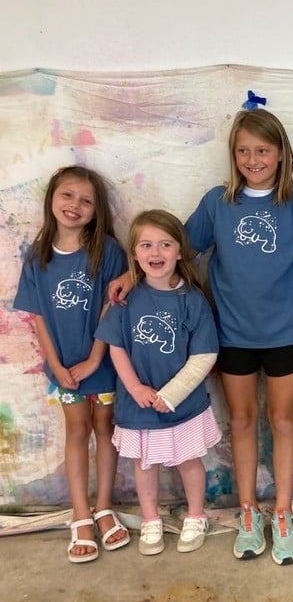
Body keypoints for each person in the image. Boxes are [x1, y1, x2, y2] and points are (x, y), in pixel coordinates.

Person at [110, 109, 293, 564]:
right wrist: (131, 275)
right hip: (230, 333)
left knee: (283, 419)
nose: (254, 158)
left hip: (287, 332)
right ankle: (249, 511)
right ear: (234, 155)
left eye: (263, 150)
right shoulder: (218, 202)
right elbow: (174, 249)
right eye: (244, 150)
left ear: (280, 153)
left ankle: (284, 510)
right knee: (244, 420)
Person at [14, 165, 130, 563]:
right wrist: (56, 364)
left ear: (97, 210)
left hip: (103, 362)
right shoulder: (37, 255)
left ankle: (103, 506)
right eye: (67, 195)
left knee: (105, 426)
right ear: (51, 199)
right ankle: (80, 514)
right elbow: (38, 317)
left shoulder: (109, 252)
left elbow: (110, 312)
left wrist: (94, 358)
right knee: (77, 430)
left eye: (85, 200)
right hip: (63, 368)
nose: (75, 205)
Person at [97, 210, 221, 556]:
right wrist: (136, 388)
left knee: (189, 460)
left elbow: (204, 356)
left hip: (183, 404)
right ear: (134, 253)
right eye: (147, 245)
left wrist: (173, 395)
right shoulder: (125, 299)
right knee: (144, 463)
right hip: (138, 403)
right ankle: (150, 518)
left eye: (166, 245)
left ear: (180, 251)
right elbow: (116, 346)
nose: (156, 253)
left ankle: (196, 515)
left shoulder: (192, 300)